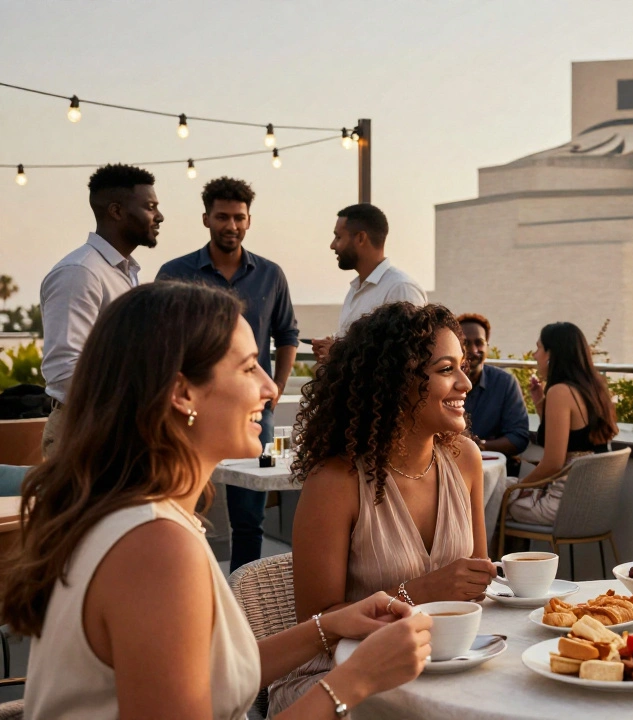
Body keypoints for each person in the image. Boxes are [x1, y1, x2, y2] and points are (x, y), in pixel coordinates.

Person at [0, 282, 432, 719]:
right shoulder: (154, 548)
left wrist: (328, 627)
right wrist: (355, 680)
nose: (270, 388)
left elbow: (204, 676)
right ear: (182, 392)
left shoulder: (135, 516)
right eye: (249, 369)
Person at [272, 302, 495, 713]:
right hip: (337, 680)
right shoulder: (336, 482)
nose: (465, 381)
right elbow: (316, 627)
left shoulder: (465, 459)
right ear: (395, 382)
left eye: (462, 366)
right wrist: (422, 592)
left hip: (443, 666)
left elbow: (475, 590)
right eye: (446, 369)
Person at [157, 176, 299, 572]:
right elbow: (157, 341)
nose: (231, 225)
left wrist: (276, 389)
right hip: (185, 407)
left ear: (249, 221)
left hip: (259, 412)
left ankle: (241, 596)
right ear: (206, 219)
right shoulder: (175, 272)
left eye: (239, 217)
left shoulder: (272, 275)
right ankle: (183, 579)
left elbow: (288, 334)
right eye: (222, 216)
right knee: (178, 503)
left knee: (250, 510)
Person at [40, 164, 162, 457]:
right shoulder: (80, 272)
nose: (159, 216)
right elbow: (64, 368)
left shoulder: (125, 272)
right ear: (116, 211)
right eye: (149, 207)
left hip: (117, 427)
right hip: (86, 431)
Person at [502, 322, 617, 528]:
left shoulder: (560, 392)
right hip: (591, 504)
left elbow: (553, 463)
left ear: (551, 354)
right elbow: (572, 437)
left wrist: (519, 487)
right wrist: (540, 403)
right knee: (498, 489)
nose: (535, 355)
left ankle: (490, 559)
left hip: (563, 505)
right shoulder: (593, 388)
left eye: (538, 348)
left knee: (491, 495)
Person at [311, 204, 427, 362]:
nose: (332, 245)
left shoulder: (401, 288)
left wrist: (338, 353)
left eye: (338, 237)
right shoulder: (355, 290)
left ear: (360, 238)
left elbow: (405, 358)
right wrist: (330, 346)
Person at [458, 312, 530, 479]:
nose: (473, 350)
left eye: (479, 343)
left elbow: (518, 438)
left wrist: (478, 446)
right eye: (465, 343)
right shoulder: (441, 381)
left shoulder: (505, 383)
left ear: (487, 346)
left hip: (492, 475)